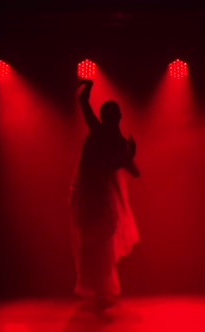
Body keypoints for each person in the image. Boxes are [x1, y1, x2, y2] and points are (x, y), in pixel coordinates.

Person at [68, 79, 140, 310]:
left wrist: (87, 85)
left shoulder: (100, 132)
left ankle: (99, 290)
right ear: (118, 116)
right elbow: (133, 171)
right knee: (98, 246)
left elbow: (82, 102)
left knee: (95, 245)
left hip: (94, 199)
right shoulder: (112, 138)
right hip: (95, 199)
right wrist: (128, 155)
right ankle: (100, 290)